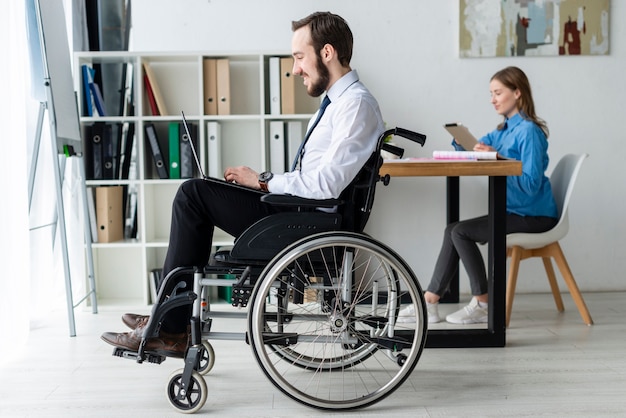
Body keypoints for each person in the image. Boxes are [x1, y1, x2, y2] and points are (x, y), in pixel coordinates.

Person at [101, 11, 384, 356]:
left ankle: (169, 327)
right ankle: (168, 322)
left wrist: (264, 181)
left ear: (327, 53)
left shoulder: (355, 106)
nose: (295, 69)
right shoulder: (336, 105)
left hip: (308, 224)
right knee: (198, 194)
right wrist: (260, 184)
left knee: (193, 195)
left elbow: (326, 185)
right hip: (299, 212)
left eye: (299, 57)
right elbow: (315, 178)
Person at [398, 66, 558, 325]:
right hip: (515, 211)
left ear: (517, 93)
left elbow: (531, 184)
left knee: (460, 232)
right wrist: (463, 141)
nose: (492, 99)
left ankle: (483, 302)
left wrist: (499, 158)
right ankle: (430, 302)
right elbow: (477, 147)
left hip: (534, 215)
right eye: (491, 93)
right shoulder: (503, 130)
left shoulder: (529, 132)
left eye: (498, 92)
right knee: (453, 229)